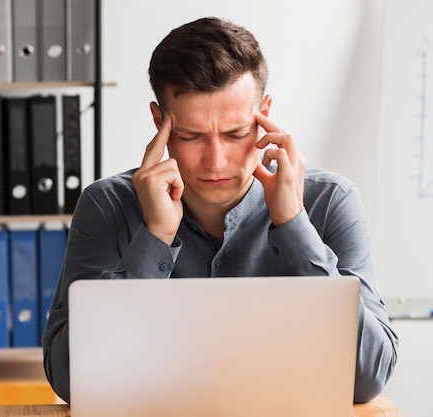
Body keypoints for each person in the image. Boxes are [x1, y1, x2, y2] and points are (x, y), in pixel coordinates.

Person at [42, 16, 398, 404]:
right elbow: (69, 379)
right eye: (191, 136)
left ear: (264, 114)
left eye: (236, 134)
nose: (215, 162)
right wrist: (155, 237)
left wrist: (294, 225)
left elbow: (369, 377)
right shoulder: (107, 205)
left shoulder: (329, 201)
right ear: (159, 122)